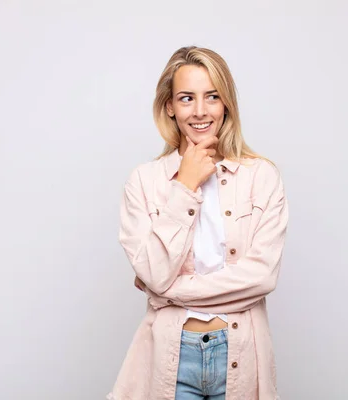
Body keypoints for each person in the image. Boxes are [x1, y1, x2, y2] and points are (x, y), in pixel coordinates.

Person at [108, 46, 289, 400]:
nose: (201, 111)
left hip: (240, 355)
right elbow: (154, 272)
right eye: (187, 98)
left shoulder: (261, 177)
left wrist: (167, 291)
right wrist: (185, 185)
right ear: (170, 107)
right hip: (169, 359)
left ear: (226, 104)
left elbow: (262, 276)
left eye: (212, 96)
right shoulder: (144, 182)